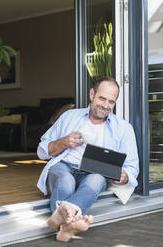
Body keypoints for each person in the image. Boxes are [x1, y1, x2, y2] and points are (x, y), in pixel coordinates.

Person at [36, 77, 139, 242]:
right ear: (92, 94)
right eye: (102, 98)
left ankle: (61, 219)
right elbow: (42, 151)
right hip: (64, 165)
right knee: (66, 180)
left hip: (94, 172)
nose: (106, 105)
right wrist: (63, 143)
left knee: (96, 180)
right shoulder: (69, 116)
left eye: (111, 102)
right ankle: (68, 223)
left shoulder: (124, 129)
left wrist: (124, 176)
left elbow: (132, 168)